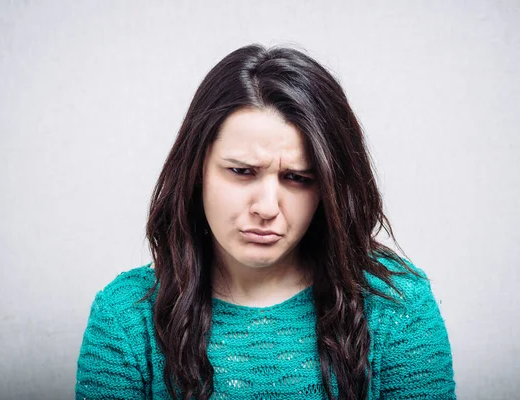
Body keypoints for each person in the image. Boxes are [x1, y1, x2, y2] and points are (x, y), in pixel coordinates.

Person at [75, 43, 456, 400]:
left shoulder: (397, 307)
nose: (267, 207)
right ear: (196, 171)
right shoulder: (126, 316)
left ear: (328, 189)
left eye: (297, 178)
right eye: (241, 171)